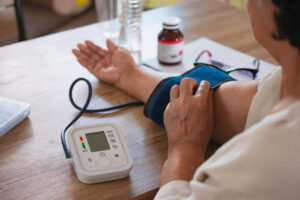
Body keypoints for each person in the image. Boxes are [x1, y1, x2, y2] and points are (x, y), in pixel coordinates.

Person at [72, 0, 300, 198]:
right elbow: (227, 107)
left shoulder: (264, 163)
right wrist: (130, 76)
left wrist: (185, 149)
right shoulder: (288, 84)